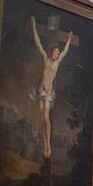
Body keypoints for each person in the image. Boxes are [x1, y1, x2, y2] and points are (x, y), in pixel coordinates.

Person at [30, 16, 73, 161]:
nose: (56, 55)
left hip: (48, 93)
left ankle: (48, 145)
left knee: (46, 118)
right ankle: (44, 145)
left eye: (57, 54)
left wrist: (68, 40)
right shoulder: (45, 58)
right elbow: (38, 43)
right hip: (41, 90)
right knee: (41, 118)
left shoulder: (57, 63)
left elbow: (65, 52)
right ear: (51, 53)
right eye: (55, 53)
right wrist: (34, 27)